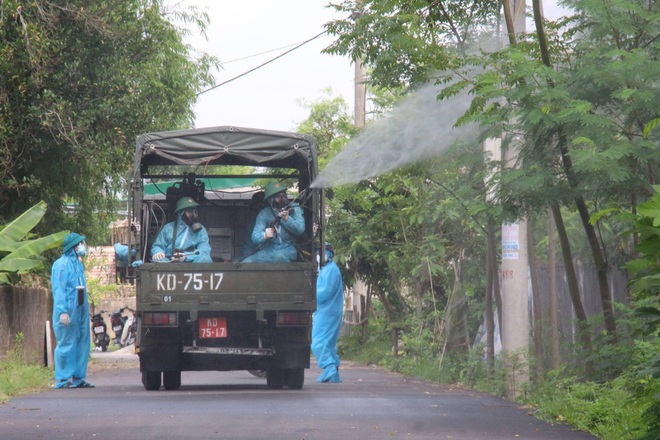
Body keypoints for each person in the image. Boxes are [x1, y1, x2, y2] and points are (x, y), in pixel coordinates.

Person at [51, 232, 94, 389]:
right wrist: (62, 311)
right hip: (68, 309)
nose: (83, 246)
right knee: (66, 342)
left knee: (82, 341)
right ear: (73, 247)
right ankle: (63, 378)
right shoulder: (61, 265)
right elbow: (59, 289)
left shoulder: (78, 264)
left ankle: (77, 376)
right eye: (80, 244)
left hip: (81, 309)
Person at [242, 182, 305, 263]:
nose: (282, 199)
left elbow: (300, 230)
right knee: (247, 262)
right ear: (270, 200)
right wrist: (264, 235)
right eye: (278, 196)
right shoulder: (264, 214)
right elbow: (254, 237)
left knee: (279, 256)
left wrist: (288, 219)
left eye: (284, 195)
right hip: (270, 249)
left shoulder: (296, 209)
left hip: (289, 248)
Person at [311, 243, 344, 383]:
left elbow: (325, 292)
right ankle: (333, 372)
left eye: (321, 252)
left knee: (318, 342)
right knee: (328, 343)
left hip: (327, 312)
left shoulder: (330, 270)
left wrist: (310, 296)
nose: (319, 255)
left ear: (329, 254)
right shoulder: (328, 269)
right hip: (329, 310)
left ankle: (330, 367)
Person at [151, 196, 212, 263]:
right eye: (189, 211)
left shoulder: (201, 230)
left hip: (192, 261)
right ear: (181, 212)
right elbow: (158, 245)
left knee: (205, 259)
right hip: (169, 261)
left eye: (194, 211)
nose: (193, 214)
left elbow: (204, 249)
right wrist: (158, 252)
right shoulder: (168, 228)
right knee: (158, 261)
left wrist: (186, 256)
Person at [240, 190, 265, 260]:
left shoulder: (274, 221)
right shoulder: (251, 224)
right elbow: (247, 246)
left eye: (262, 206)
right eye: (257, 206)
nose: (260, 208)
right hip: (253, 256)